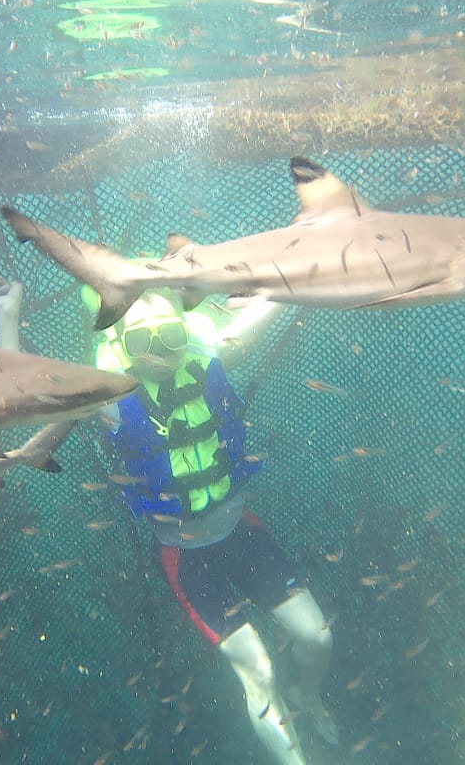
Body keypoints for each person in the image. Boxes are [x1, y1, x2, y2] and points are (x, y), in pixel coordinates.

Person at [86, 288, 338, 765]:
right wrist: (8, 311)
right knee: (258, 671)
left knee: (317, 636)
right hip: (185, 557)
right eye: (143, 343)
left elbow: (271, 303)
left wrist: (297, 275)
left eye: (171, 338)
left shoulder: (209, 359)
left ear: (186, 336)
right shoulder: (107, 396)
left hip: (240, 531)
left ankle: (310, 696)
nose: (159, 354)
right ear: (123, 346)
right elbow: (25, 388)